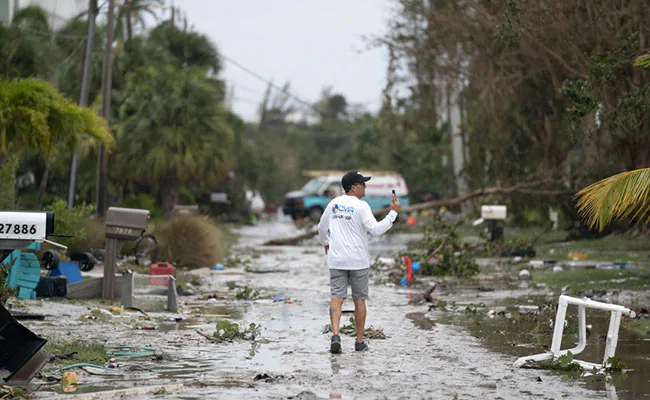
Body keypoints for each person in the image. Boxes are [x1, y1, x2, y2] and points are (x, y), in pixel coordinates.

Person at [317, 171, 400, 353]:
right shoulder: (362, 206)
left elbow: (322, 228)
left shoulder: (333, 204)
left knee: (336, 298)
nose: (365, 187)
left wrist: (326, 243)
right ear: (353, 187)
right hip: (358, 261)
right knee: (359, 300)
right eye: (363, 184)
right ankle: (359, 341)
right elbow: (376, 230)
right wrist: (392, 214)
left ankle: (335, 336)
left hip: (337, 260)